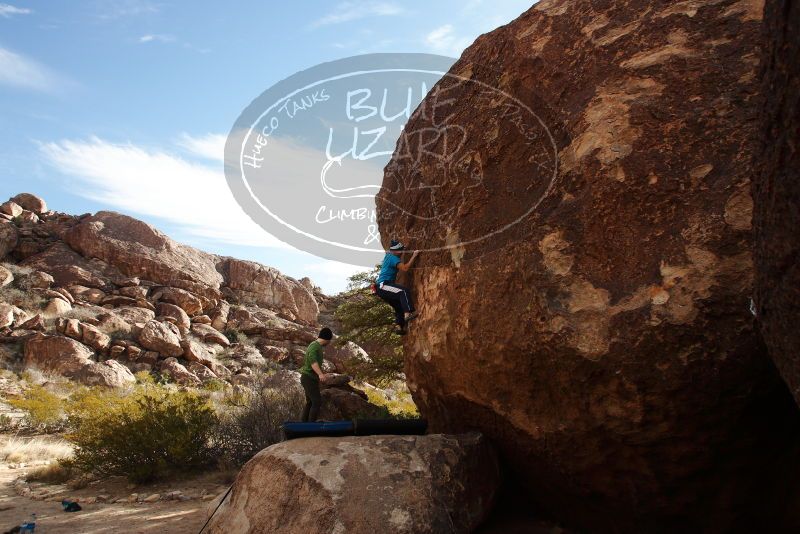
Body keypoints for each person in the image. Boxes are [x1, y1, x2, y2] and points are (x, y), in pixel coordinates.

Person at [376, 239, 419, 335]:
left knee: (399, 306)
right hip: (384, 285)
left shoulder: (389, 256)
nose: (401, 252)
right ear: (394, 251)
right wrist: (414, 256)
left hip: (382, 288)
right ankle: (408, 314)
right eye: (400, 250)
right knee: (403, 291)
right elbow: (405, 268)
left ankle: (399, 326)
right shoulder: (393, 258)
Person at [300, 327, 334, 422]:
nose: (329, 343)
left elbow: (315, 364)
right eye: (330, 340)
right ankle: (311, 425)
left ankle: (304, 424)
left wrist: (323, 374)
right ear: (327, 339)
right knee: (316, 401)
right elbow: (313, 361)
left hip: (309, 378)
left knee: (310, 402)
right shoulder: (315, 346)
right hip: (308, 378)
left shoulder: (316, 345)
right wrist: (320, 375)